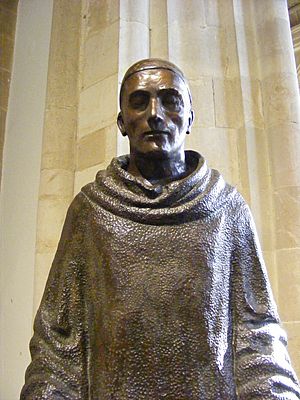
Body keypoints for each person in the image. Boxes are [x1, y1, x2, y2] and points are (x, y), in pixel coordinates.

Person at [21, 59, 300, 399]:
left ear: (190, 118)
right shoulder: (91, 212)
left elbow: (257, 334)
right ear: (122, 122)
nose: (155, 113)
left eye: (170, 100)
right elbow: (57, 343)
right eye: (140, 102)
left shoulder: (227, 209)